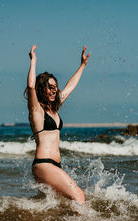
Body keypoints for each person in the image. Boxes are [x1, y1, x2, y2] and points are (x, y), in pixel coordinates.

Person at [25, 45, 90, 203]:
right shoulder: (37, 111)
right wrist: (34, 61)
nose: (54, 91)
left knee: (61, 205)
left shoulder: (53, 109)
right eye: (50, 88)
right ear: (43, 89)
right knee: (78, 196)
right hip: (44, 164)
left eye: (55, 87)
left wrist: (82, 65)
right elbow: (31, 87)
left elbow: (70, 87)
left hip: (53, 165)